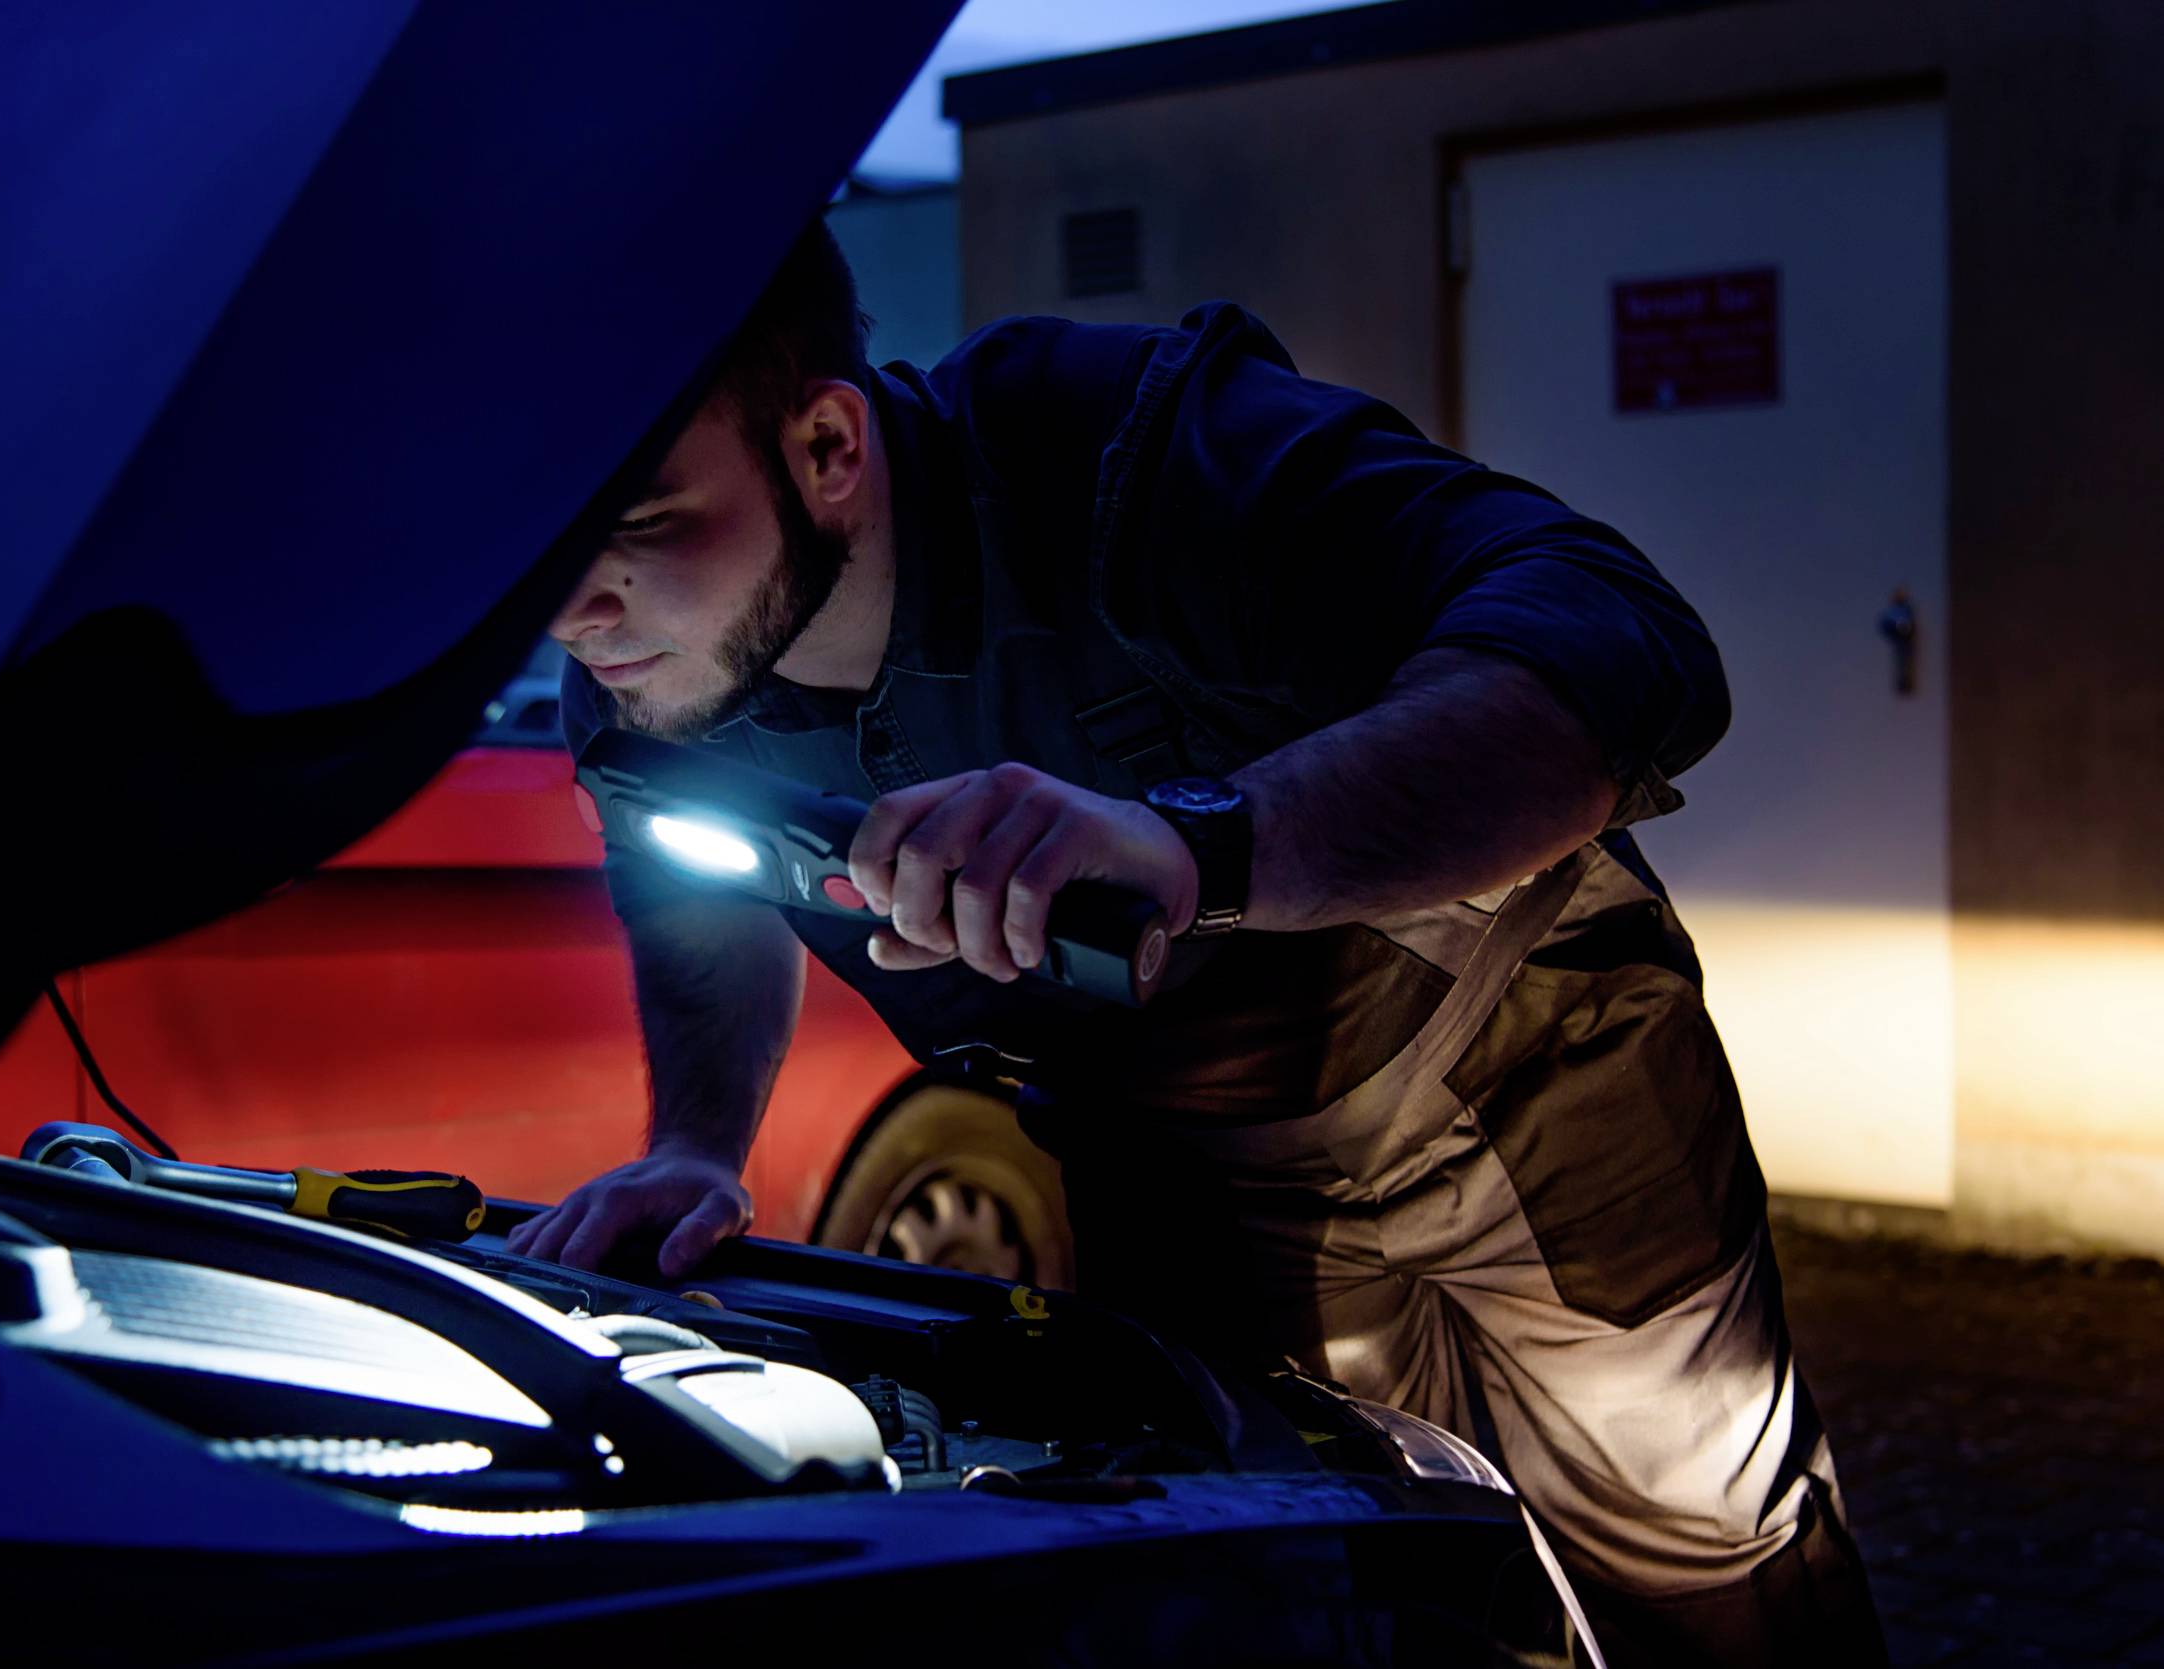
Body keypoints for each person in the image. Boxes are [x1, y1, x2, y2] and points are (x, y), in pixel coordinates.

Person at [511, 220, 1886, 1664]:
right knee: (1314, 1583)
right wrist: (697, 1141)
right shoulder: (649, 678)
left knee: (1700, 1559)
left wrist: (1195, 845)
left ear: (829, 446)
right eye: (543, 534)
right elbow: (692, 880)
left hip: (1524, 1073)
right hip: (1173, 1160)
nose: (572, 605)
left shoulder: (1129, 461)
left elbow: (1619, 635)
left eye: (645, 520)